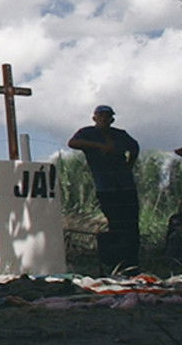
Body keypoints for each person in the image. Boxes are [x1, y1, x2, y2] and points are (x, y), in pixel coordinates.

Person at [67, 105, 140, 272]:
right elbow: (72, 142)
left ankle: (132, 263)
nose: (104, 119)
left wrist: (129, 165)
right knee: (115, 224)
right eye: (100, 116)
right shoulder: (87, 133)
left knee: (131, 225)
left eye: (107, 117)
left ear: (112, 119)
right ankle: (116, 263)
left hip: (125, 185)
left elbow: (134, 147)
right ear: (94, 118)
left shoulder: (120, 134)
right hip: (106, 186)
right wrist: (99, 147)